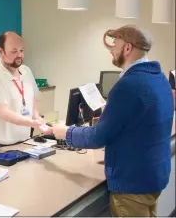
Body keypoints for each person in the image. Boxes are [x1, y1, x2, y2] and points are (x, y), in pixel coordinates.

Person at [43, 25, 174, 217]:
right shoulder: (158, 77)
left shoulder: (128, 85)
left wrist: (64, 132)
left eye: (115, 44)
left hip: (132, 185)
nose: (111, 50)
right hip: (153, 176)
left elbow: (97, 137)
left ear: (127, 48)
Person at [0, 31, 48, 146]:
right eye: (14, 51)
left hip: (23, 141)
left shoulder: (26, 71)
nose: (19, 55)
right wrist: (32, 123)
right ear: (1, 51)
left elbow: (34, 97)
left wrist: (36, 116)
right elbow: (4, 113)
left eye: (21, 50)